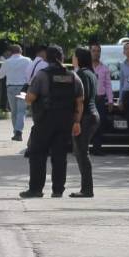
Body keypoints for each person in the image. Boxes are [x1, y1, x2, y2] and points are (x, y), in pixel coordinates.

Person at [20, 46, 84, 199]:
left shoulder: (41, 76)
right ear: (62, 58)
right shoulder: (73, 76)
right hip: (65, 121)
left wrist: (26, 96)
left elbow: (30, 98)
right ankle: (58, 190)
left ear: (46, 59)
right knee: (60, 156)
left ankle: (35, 189)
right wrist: (77, 122)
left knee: (37, 155)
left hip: (45, 120)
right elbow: (80, 102)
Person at [70, 48, 100, 198]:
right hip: (92, 115)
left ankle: (87, 189)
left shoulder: (82, 74)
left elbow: (82, 98)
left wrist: (77, 120)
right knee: (80, 151)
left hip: (86, 116)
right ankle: (86, 188)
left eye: (74, 56)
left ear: (79, 58)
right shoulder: (91, 72)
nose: (72, 59)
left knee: (82, 152)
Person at [0, 44, 32, 141]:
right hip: (23, 87)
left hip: (11, 88)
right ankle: (18, 131)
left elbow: (0, 75)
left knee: (14, 111)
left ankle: (15, 131)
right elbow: (31, 73)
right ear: (21, 51)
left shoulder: (7, 62)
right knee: (21, 111)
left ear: (10, 52)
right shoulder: (27, 60)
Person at [89, 41, 113, 155]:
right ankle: (84, 148)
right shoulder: (86, 68)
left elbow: (108, 85)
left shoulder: (104, 68)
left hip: (99, 99)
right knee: (87, 123)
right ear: (90, 52)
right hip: (88, 99)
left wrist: (110, 100)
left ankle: (97, 148)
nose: (96, 53)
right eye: (94, 51)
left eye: (98, 51)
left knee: (99, 123)